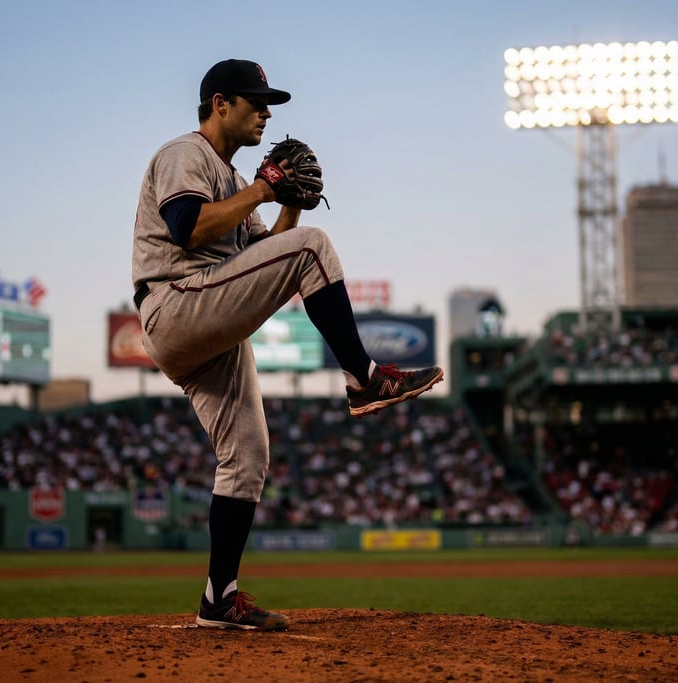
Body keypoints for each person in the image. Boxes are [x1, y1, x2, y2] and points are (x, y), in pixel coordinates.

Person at [131, 58, 443, 631]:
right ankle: (363, 378)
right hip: (175, 303)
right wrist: (261, 187)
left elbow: (271, 252)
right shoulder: (186, 153)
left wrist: (289, 198)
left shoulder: (229, 178)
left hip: (206, 320)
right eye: (257, 102)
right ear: (221, 103)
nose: (267, 113)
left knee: (246, 458)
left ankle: (217, 599)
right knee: (313, 247)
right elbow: (188, 229)